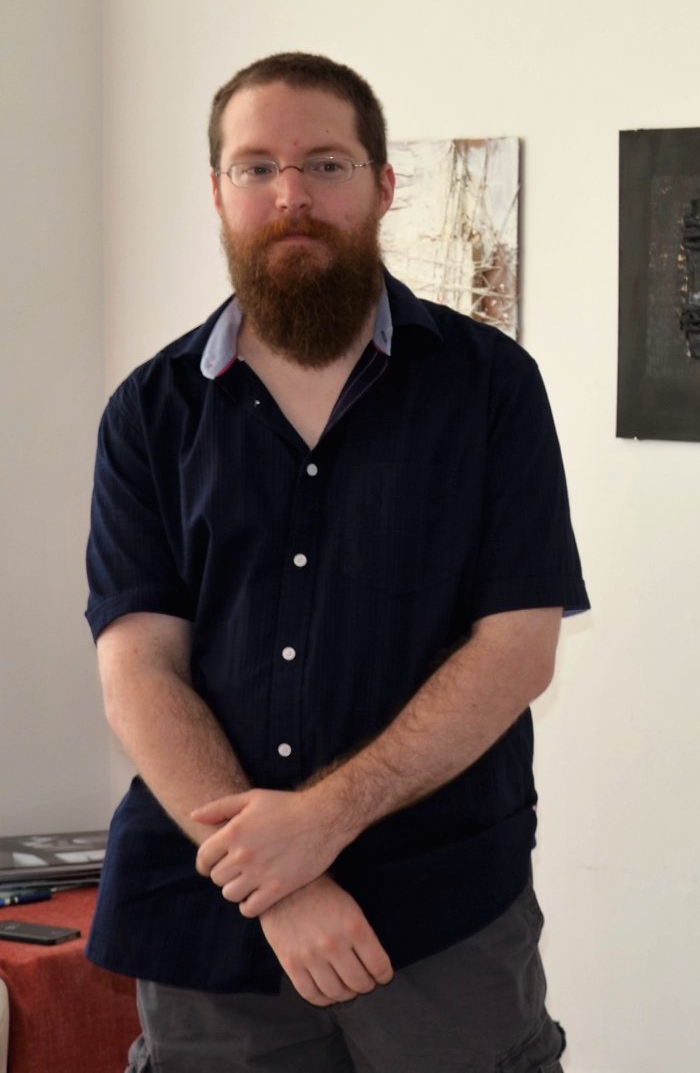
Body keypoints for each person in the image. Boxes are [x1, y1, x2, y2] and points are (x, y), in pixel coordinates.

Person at [85, 53, 587, 1072]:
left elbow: (517, 650)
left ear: (383, 185)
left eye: (326, 164)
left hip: (443, 912)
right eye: (256, 168)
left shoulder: (490, 388)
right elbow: (138, 671)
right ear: (218, 192)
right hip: (209, 917)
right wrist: (279, 881)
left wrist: (321, 822)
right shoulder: (149, 411)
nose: (292, 196)